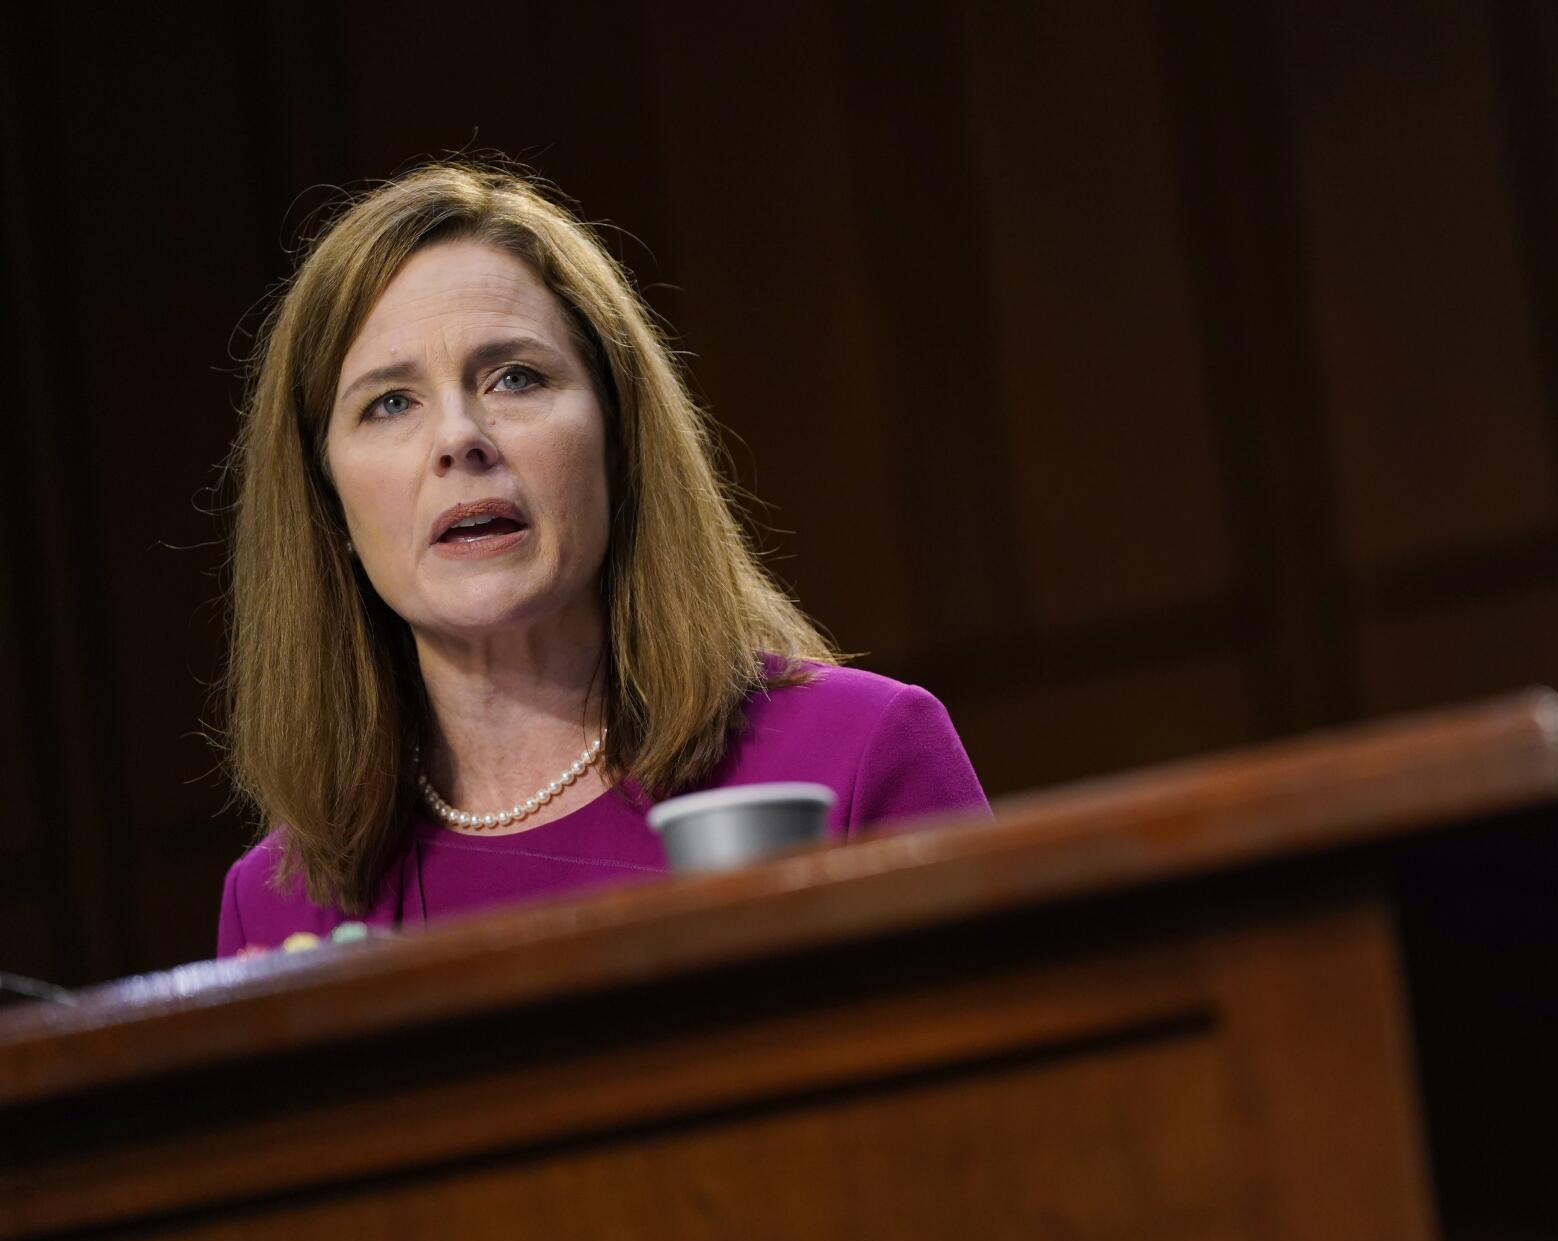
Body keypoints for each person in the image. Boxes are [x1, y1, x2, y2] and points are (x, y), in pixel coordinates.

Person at [215, 161, 987, 955]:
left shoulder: (859, 754)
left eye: (515, 377)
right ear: (327, 498)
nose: (459, 439)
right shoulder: (274, 905)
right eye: (390, 402)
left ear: (618, 440)